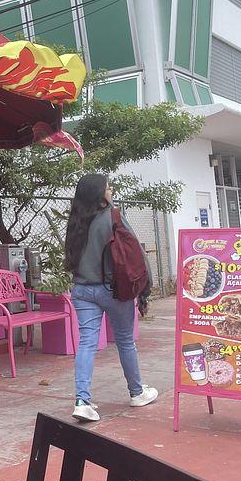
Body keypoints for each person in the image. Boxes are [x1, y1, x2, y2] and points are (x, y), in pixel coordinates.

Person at [63, 174, 158, 422]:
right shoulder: (113, 217)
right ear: (99, 193)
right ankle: (137, 392)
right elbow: (136, 253)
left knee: (86, 343)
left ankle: (82, 401)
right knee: (125, 342)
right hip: (113, 290)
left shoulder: (76, 221)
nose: (111, 190)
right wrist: (145, 289)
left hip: (82, 291)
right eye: (108, 187)